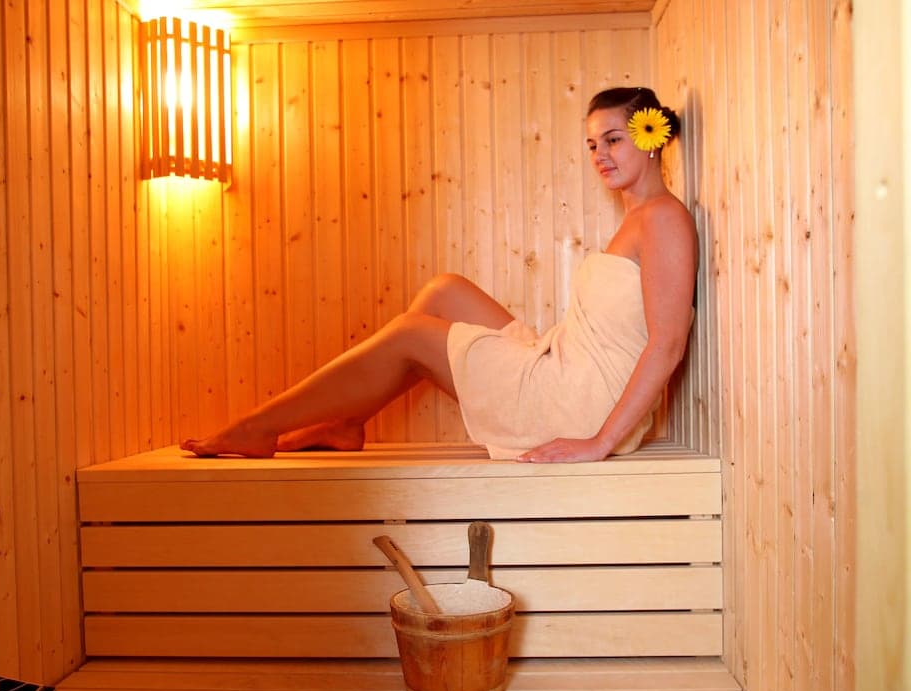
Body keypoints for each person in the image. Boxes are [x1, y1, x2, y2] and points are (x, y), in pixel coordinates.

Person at [181, 86, 698, 463]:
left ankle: (257, 426)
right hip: (565, 367)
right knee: (445, 290)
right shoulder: (639, 217)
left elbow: (668, 343)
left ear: (649, 138)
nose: (600, 155)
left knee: (410, 334)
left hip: (579, 405)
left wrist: (599, 442)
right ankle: (345, 421)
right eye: (592, 145)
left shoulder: (664, 219)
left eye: (613, 140)